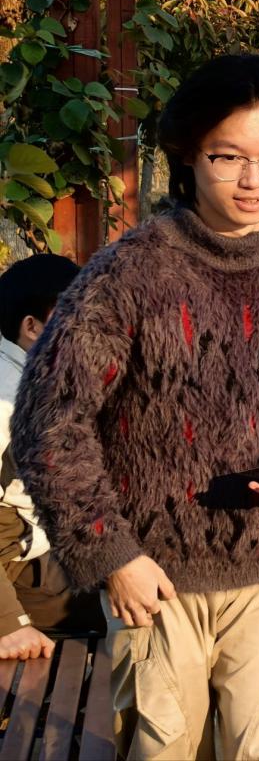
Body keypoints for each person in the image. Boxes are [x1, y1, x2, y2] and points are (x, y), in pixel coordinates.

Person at [10, 54, 259, 760]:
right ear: (189, 154)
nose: (254, 180)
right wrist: (112, 554)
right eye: (229, 157)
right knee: (165, 747)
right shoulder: (130, 271)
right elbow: (50, 421)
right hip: (156, 580)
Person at [0, 253, 104, 660]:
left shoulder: (36, 377)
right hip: (23, 573)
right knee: (152, 598)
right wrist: (9, 624)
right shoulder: (7, 403)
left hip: (49, 551)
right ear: (32, 327)